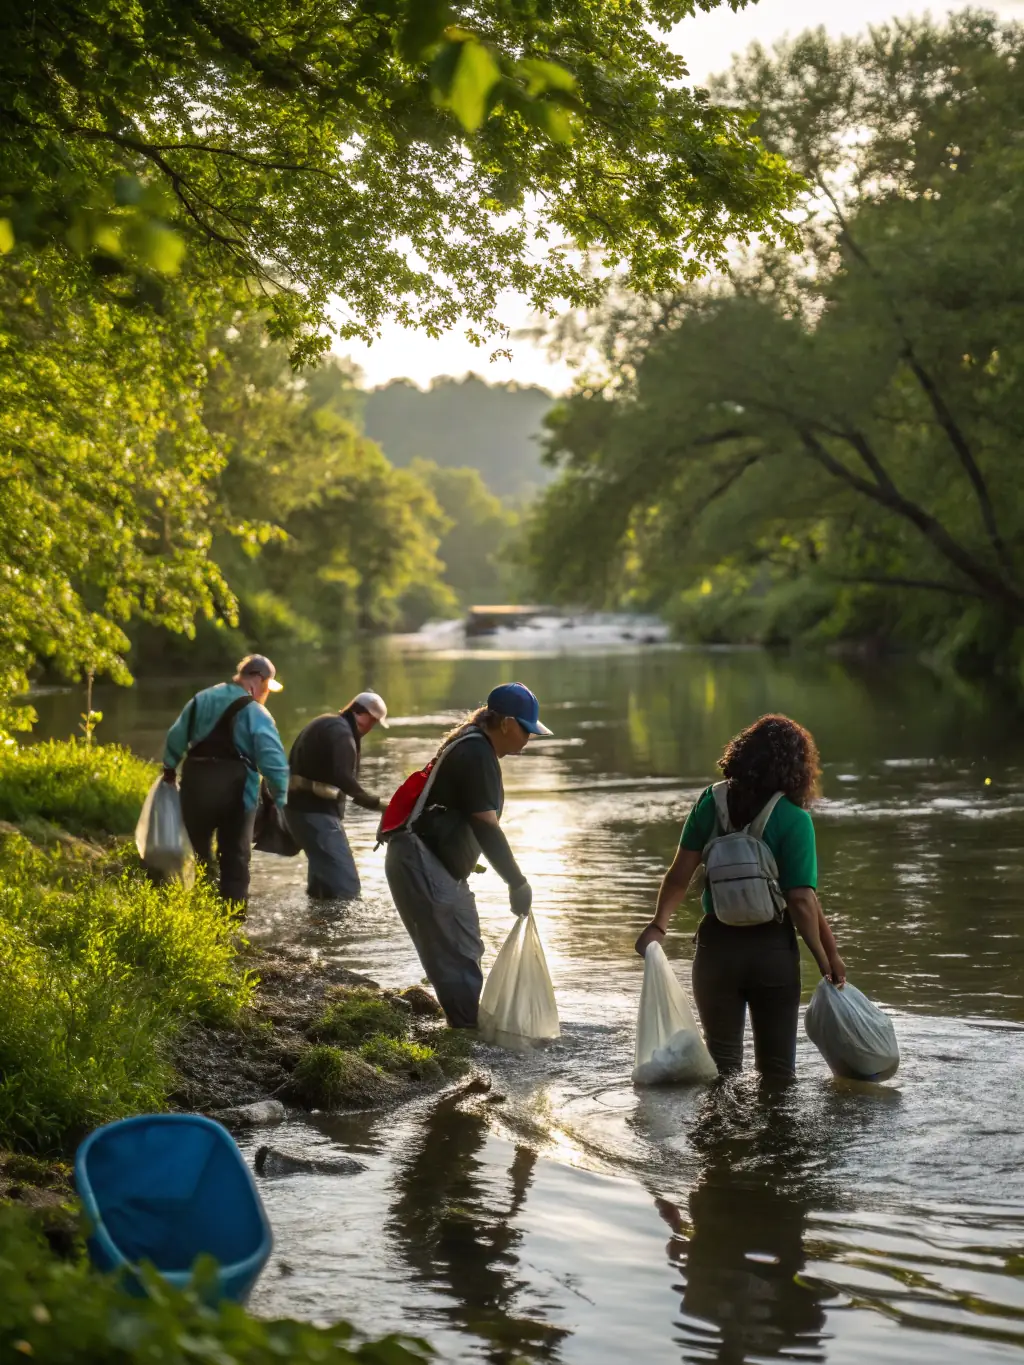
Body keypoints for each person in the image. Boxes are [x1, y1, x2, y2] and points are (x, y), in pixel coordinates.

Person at [634, 713, 846, 1080]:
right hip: (772, 952)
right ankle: (775, 1137)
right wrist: (827, 959)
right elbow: (801, 901)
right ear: (796, 767)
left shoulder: (709, 804)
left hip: (717, 949)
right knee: (778, 1074)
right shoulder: (794, 819)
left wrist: (658, 926)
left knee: (722, 1067)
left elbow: (678, 877)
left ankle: (717, 1134)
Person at [384, 682, 551, 1028]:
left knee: (460, 950)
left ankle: (464, 1032)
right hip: (421, 859)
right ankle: (469, 1040)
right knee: (459, 954)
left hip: (420, 858)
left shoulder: (473, 745)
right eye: (526, 729)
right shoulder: (476, 753)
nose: (528, 738)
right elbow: (486, 827)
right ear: (505, 723)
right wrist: (516, 882)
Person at [162, 654, 290, 905]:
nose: (266, 694)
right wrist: (281, 796)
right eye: (267, 688)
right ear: (257, 680)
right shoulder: (256, 712)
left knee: (197, 852)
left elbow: (176, 736)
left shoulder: (201, 699)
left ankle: (200, 909)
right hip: (237, 794)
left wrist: (169, 770)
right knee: (235, 856)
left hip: (195, 786)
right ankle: (232, 920)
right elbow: (273, 759)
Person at [285, 690, 389, 900]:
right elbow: (343, 778)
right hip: (315, 813)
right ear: (366, 716)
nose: (372, 728)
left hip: (298, 810)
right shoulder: (341, 733)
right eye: (374, 722)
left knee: (322, 882)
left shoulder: (326, 723)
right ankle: (339, 930)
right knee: (346, 886)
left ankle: (316, 926)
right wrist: (379, 805)